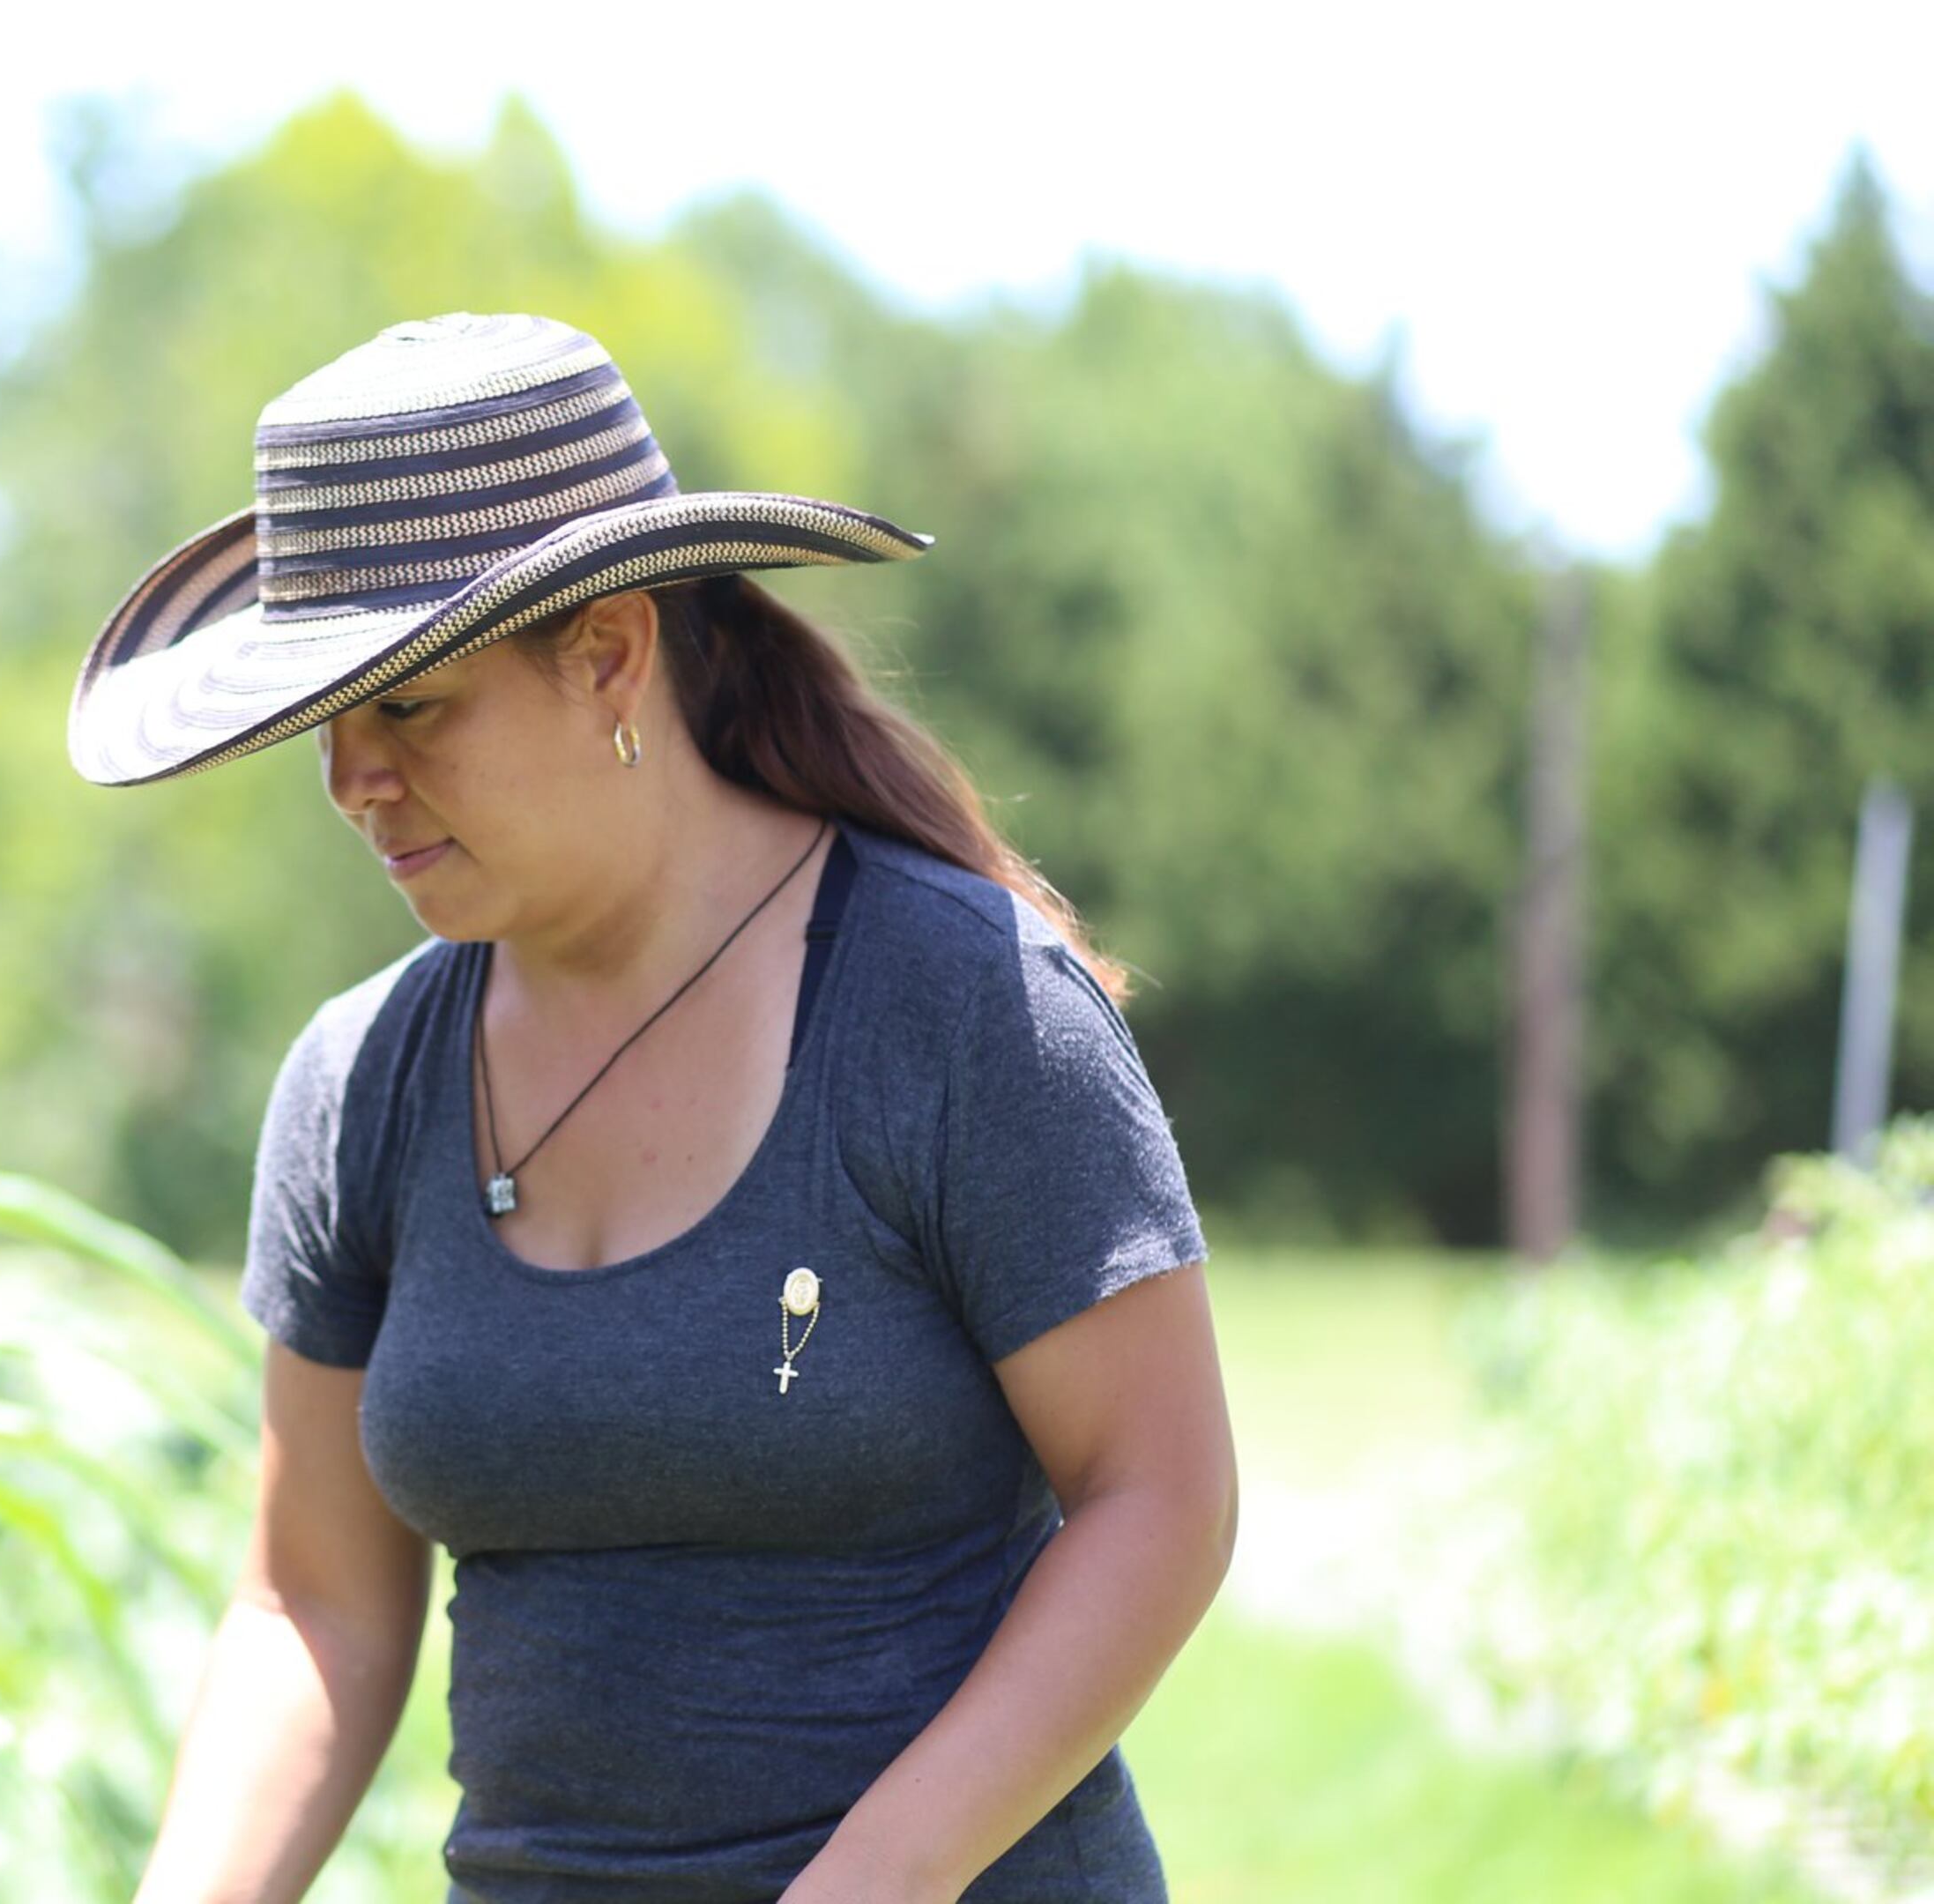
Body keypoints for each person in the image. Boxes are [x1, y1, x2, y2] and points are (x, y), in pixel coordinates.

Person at [67, 313, 1238, 1904]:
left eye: (409, 706)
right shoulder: (363, 1087)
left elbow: (1156, 1500)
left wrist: (868, 1884)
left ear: (611, 652)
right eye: (323, 721)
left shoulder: (960, 1007)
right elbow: (312, 1610)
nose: (353, 778)